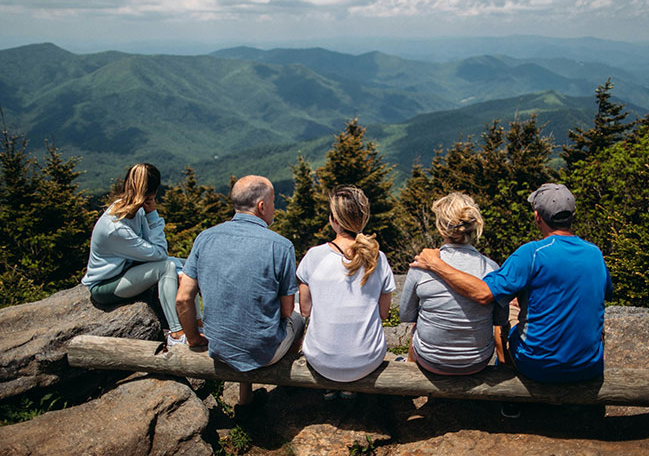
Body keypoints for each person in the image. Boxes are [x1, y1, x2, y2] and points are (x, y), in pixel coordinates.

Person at [411, 183, 611, 386]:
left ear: (537, 216)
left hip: (538, 365)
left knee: (504, 317)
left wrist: (437, 264)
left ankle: (507, 391)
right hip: (588, 366)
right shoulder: (595, 253)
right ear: (572, 215)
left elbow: (484, 294)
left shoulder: (532, 253)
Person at [176, 175, 304, 409]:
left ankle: (245, 398)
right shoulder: (281, 246)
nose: (274, 207)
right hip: (264, 352)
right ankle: (289, 385)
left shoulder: (205, 238)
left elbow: (183, 298)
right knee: (298, 319)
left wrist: (194, 338)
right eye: (273, 202)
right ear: (262, 206)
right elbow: (286, 311)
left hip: (218, 345)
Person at [81, 163, 200, 346]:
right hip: (105, 285)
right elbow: (160, 254)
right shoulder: (117, 228)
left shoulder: (131, 211)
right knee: (166, 267)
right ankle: (176, 334)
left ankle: (198, 324)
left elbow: (151, 249)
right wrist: (153, 215)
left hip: (127, 270)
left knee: (190, 265)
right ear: (151, 194)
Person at [297, 185, 395, 400]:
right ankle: (350, 389)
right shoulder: (378, 258)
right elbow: (383, 313)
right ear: (363, 219)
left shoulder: (314, 256)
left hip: (322, 360)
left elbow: (306, 310)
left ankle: (330, 386)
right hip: (367, 360)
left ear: (334, 220)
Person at [400, 193, 508, 375]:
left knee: (417, 324)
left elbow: (406, 314)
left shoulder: (422, 265)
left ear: (441, 229)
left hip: (431, 361)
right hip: (478, 361)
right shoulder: (491, 267)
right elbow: (500, 319)